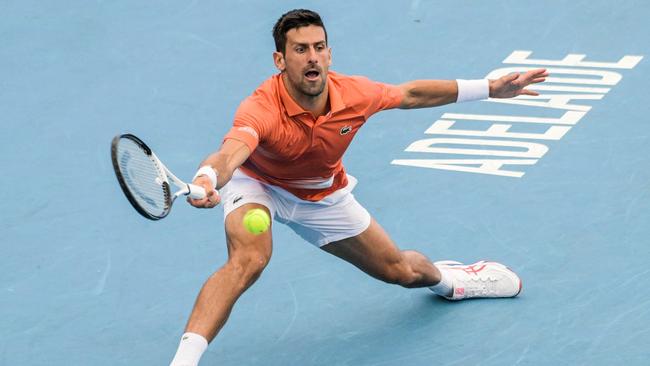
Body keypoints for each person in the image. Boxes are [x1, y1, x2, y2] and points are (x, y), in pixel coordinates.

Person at [169, 9, 547, 366]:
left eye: (319, 48)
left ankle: (453, 280)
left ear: (330, 54)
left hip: (322, 196)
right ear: (280, 61)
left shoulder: (354, 94)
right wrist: (206, 177)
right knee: (248, 260)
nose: (312, 58)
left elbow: (411, 94)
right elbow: (231, 152)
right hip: (257, 185)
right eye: (300, 50)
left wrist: (489, 89)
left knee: (401, 271)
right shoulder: (261, 108)